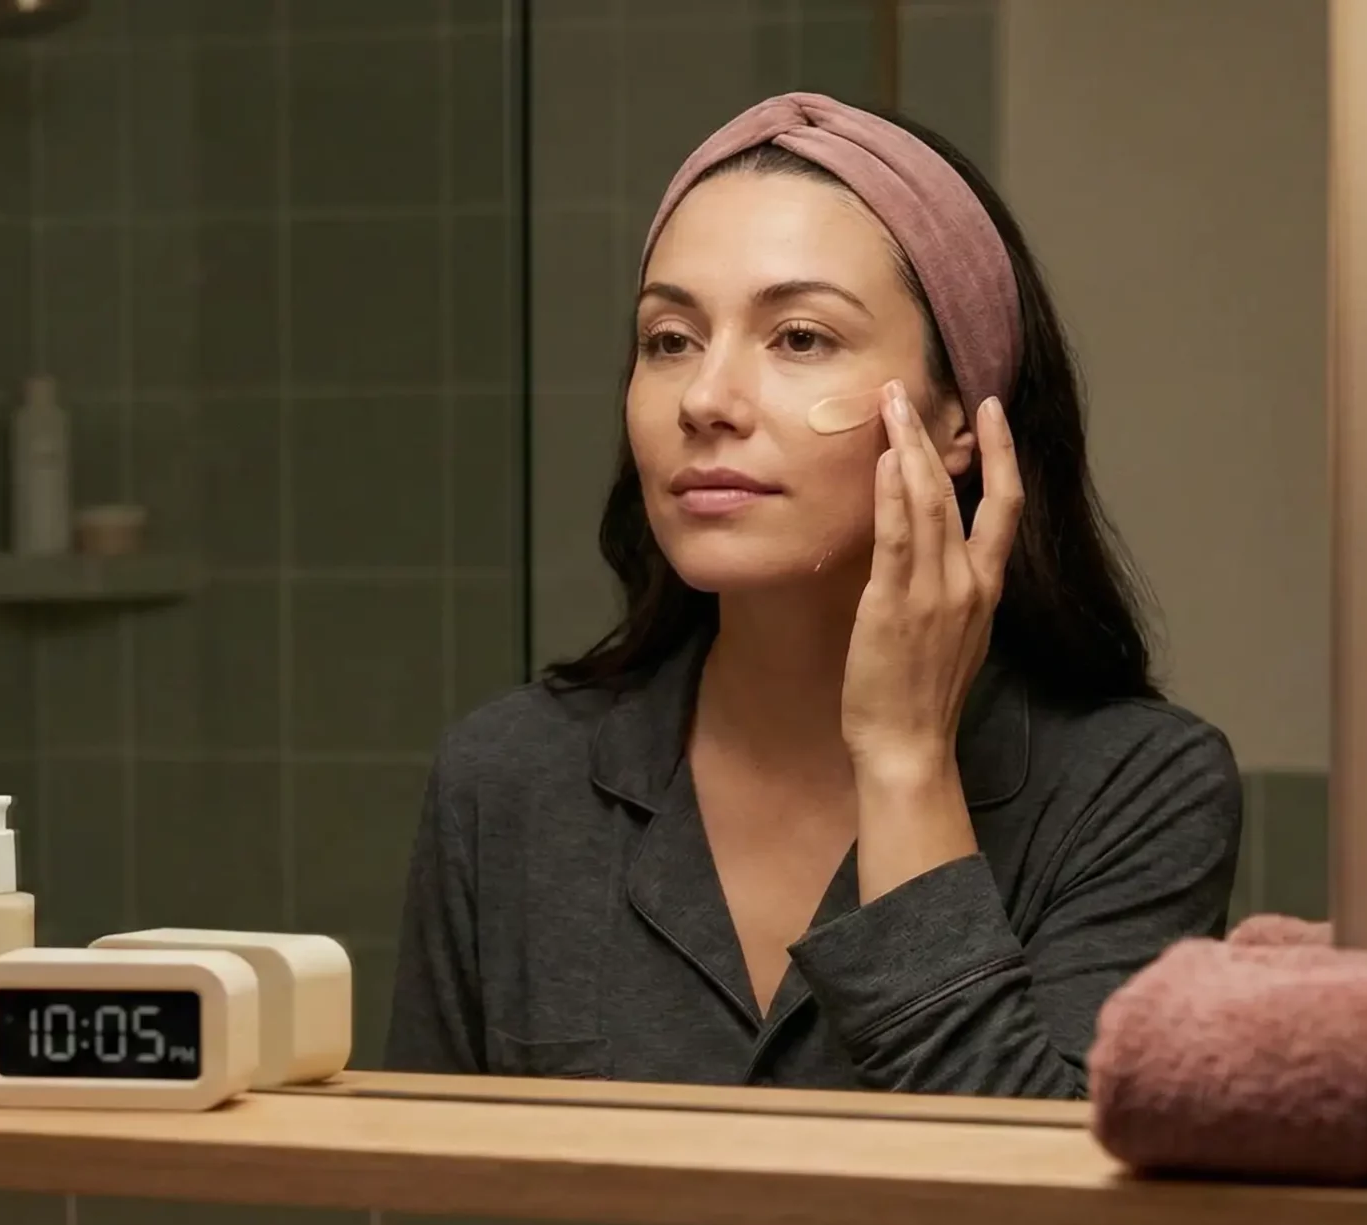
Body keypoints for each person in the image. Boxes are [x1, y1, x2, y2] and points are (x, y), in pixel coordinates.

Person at [386, 94, 1241, 1098]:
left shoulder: (1134, 790)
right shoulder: (507, 781)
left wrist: (906, 761)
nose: (705, 399)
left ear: (961, 414)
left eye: (798, 338)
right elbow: (422, 1218)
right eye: (670, 339)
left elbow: (1033, 1218)